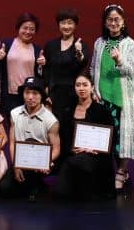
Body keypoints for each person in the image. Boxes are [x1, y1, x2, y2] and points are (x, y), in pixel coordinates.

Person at [91, 4, 134, 192]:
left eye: (117, 19)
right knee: (105, 138)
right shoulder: (99, 43)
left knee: (122, 138)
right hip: (102, 96)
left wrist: (119, 60)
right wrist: (93, 88)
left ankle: (122, 171)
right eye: (110, 19)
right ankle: (107, 172)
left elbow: (130, 71)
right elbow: (94, 67)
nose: (113, 23)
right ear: (105, 23)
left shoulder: (130, 44)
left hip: (122, 97)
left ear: (123, 22)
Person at [55, 74, 115, 200]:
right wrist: (72, 149)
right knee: (61, 192)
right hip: (73, 153)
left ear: (92, 87)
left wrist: (93, 149)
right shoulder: (68, 110)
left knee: (76, 163)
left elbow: (111, 138)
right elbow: (63, 137)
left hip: (96, 155)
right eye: (78, 85)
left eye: (85, 85)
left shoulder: (102, 111)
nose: (81, 88)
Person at [40, 8, 90, 157]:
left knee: (70, 130)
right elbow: (46, 70)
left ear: (75, 25)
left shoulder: (80, 45)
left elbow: (83, 64)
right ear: (58, 24)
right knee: (53, 129)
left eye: (70, 23)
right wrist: (46, 92)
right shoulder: (51, 45)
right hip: (54, 95)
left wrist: (79, 52)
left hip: (73, 95)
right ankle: (54, 160)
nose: (66, 26)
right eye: (63, 23)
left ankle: (70, 161)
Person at [2, 77, 60, 202]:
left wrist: (46, 161)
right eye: (27, 92)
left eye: (35, 93)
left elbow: (56, 149)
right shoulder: (14, 114)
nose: (30, 97)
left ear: (41, 95)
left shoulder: (51, 120)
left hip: (40, 162)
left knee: (34, 194)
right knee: (4, 189)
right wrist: (16, 165)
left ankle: (38, 185)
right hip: (21, 160)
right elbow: (12, 142)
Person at [0, 13, 43, 118]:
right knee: (9, 122)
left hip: (29, 95)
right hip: (9, 94)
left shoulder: (37, 49)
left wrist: (42, 65)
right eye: (25, 28)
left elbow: (40, 74)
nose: (28, 31)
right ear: (18, 28)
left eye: (32, 29)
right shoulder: (7, 44)